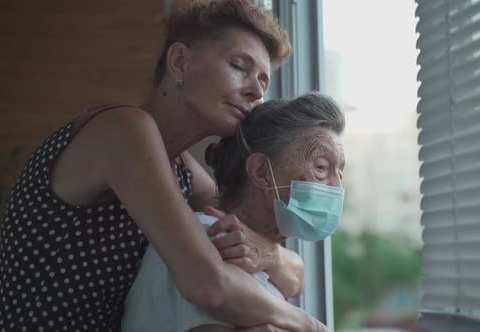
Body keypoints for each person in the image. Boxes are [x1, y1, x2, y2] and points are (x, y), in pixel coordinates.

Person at [0, 0, 330, 331]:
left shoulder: (181, 171)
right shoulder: (123, 130)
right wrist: (308, 325)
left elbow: (291, 274)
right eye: (240, 67)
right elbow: (208, 284)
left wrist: (270, 255)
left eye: (263, 81)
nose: (256, 91)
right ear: (180, 61)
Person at [121, 92, 346, 331]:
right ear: (261, 171)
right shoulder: (209, 242)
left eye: (340, 173)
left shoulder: (259, 257)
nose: (337, 188)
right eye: (321, 167)